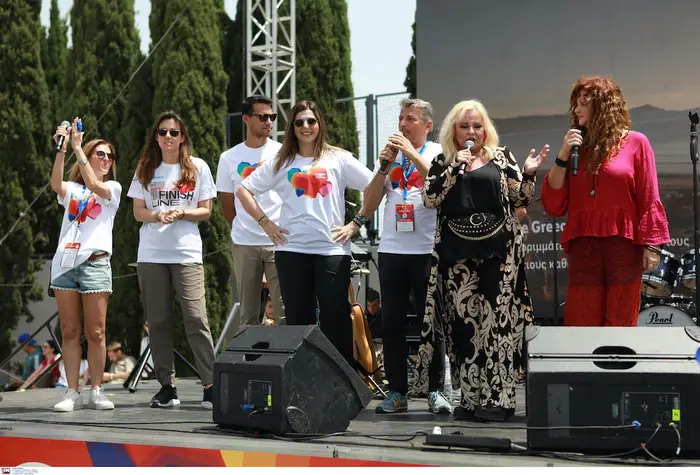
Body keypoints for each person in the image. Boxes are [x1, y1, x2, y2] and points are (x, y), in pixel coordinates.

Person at [412, 99, 549, 422]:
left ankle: (499, 400)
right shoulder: (443, 162)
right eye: (464, 126)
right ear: (453, 131)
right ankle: (470, 398)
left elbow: (520, 197)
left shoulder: (502, 158)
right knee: (464, 328)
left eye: (477, 126)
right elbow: (430, 198)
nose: (471, 132)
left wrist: (529, 173)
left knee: (498, 328)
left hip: (499, 256)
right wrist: (453, 169)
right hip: (457, 256)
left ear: (485, 129)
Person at [236, 100, 374, 364]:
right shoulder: (281, 161)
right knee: (298, 320)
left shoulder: (339, 158)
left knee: (335, 316)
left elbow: (374, 185)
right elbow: (243, 190)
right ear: (292, 127)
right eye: (299, 122)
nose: (306, 126)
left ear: (320, 124)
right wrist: (265, 223)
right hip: (291, 250)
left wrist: (356, 223)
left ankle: (340, 379)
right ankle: (303, 378)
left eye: (311, 121)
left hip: (331, 249)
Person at [541, 76, 670, 327]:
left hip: (623, 245)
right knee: (581, 320)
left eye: (584, 103)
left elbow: (649, 196)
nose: (576, 109)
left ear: (602, 106)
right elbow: (554, 203)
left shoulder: (636, 142)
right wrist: (563, 153)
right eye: (575, 103)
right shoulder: (576, 147)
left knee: (620, 320)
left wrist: (652, 247)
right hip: (584, 247)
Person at [361, 98, 450, 414]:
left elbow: (440, 185)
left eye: (410, 118)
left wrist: (411, 154)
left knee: (432, 323)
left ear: (427, 125)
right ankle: (397, 391)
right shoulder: (390, 156)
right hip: (392, 250)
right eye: (401, 118)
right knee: (392, 323)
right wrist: (383, 167)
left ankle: (435, 390)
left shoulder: (438, 152)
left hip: (427, 250)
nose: (402, 124)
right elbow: (369, 203)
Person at [128, 110, 217, 409]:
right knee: (158, 321)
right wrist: (157, 215)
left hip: (186, 253)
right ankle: (167, 386)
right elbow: (138, 212)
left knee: (196, 318)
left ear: (182, 138)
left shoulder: (198, 167)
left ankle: (211, 385)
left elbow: (206, 211)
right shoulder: (145, 168)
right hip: (151, 254)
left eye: (174, 132)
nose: (168, 137)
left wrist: (182, 213)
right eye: (163, 132)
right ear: (156, 137)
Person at [48, 117, 121, 411]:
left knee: (96, 332)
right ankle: (72, 392)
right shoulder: (72, 189)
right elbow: (55, 184)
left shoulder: (112, 188)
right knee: (68, 330)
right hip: (65, 264)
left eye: (109, 156)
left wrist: (79, 148)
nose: (106, 159)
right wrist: (62, 149)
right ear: (90, 157)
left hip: (95, 264)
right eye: (100, 154)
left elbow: (93, 183)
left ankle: (97, 390)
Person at [216, 95, 285, 328]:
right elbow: (227, 205)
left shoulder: (283, 152)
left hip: (279, 241)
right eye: (263, 117)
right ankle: (250, 354)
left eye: (272, 116)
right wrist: (245, 226)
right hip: (244, 243)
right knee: (248, 316)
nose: (269, 122)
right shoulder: (228, 158)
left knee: (284, 313)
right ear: (246, 119)